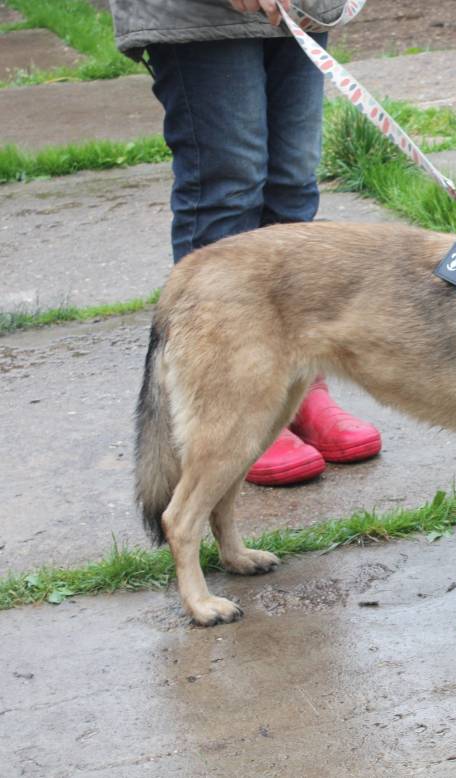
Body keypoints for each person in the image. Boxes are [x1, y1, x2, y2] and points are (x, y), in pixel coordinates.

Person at [110, 0, 381, 485]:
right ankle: (228, 407)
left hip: (299, 10)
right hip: (196, 16)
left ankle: (296, 389)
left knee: (293, 184)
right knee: (229, 188)